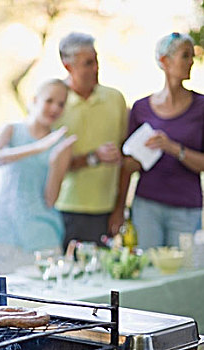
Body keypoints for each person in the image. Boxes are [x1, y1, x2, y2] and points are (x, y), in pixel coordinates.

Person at [109, 32, 204, 248]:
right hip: (146, 206)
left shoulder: (203, 107)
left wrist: (172, 148)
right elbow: (127, 166)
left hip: (186, 209)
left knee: (181, 274)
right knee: (148, 270)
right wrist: (118, 210)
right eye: (185, 56)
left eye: (192, 56)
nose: (191, 61)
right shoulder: (140, 108)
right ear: (165, 61)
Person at [0, 79, 77, 274]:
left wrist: (55, 163)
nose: (55, 108)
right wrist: (36, 148)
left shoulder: (61, 144)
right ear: (34, 100)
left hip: (42, 237)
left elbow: (50, 200)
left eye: (61, 104)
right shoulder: (10, 130)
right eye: (49, 100)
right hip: (4, 233)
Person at [55, 32, 128, 250]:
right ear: (67, 66)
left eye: (96, 61)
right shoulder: (55, 102)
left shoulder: (115, 99)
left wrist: (119, 208)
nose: (96, 68)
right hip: (64, 209)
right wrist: (93, 157)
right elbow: (48, 163)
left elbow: (125, 160)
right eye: (88, 63)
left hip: (106, 211)